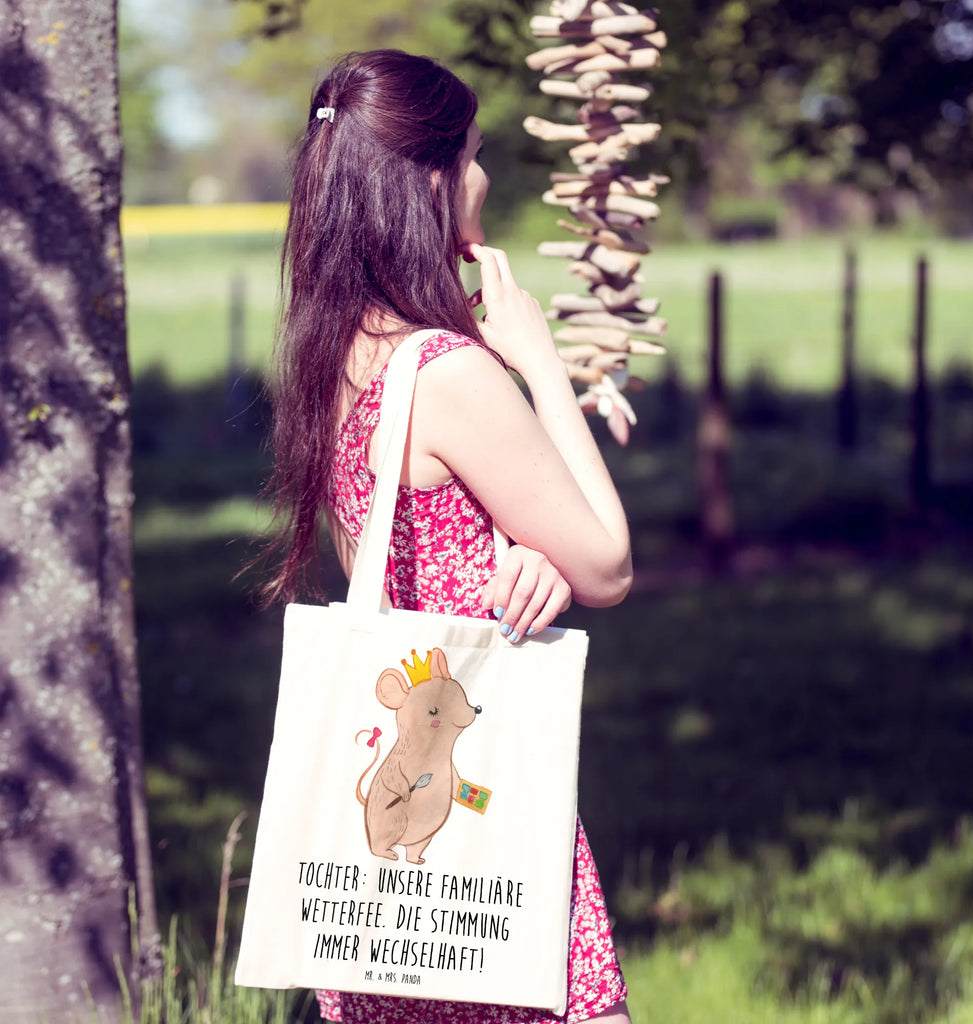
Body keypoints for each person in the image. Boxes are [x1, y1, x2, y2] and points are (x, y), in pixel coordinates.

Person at [260, 49, 633, 1024]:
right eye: (470, 155)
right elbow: (607, 562)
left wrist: (512, 552)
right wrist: (540, 362)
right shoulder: (449, 372)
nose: (484, 177)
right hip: (482, 835)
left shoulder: (334, 355)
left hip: (386, 882)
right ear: (428, 179)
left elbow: (389, 558)